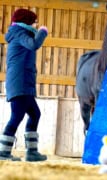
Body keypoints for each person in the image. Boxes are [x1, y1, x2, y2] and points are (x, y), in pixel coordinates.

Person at [0, 9, 48, 161]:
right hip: (19, 84)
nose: (37, 24)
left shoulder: (20, 34)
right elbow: (34, 45)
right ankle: (3, 152)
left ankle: (32, 152)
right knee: (17, 116)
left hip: (23, 83)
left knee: (35, 114)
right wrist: (42, 32)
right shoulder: (19, 33)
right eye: (35, 21)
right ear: (26, 22)